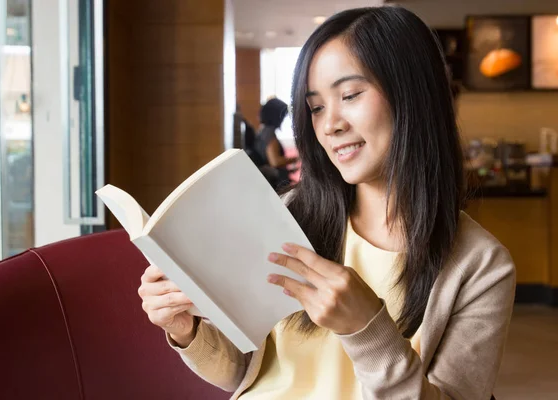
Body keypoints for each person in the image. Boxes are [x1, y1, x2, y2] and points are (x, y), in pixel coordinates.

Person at [138, 6, 515, 400]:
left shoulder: (481, 265)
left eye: (350, 95)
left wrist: (368, 331)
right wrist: (189, 330)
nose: (329, 124)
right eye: (316, 107)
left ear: (413, 94)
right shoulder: (288, 214)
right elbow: (246, 372)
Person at [252, 98, 298, 189]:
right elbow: (275, 161)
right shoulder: (269, 133)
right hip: (275, 184)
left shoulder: (262, 131)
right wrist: (296, 158)